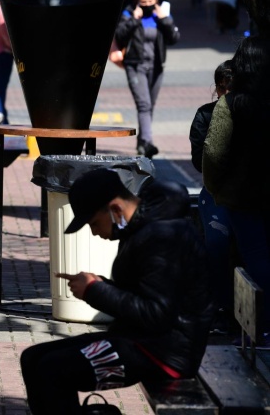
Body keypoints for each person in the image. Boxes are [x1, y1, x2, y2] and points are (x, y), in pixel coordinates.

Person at [20, 168, 213, 414]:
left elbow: (156, 314)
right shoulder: (142, 226)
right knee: (33, 359)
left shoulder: (163, 237)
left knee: (52, 371)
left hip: (163, 353)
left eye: (94, 223)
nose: (94, 232)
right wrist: (101, 285)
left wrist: (94, 290)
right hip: (141, 339)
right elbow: (143, 296)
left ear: (115, 210)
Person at [203, 37, 270, 345]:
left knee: (255, 256)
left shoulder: (229, 104)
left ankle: (262, 328)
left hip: (242, 197)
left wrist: (217, 190)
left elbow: (213, 154)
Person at [189, 60, 234, 331]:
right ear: (217, 88)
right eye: (224, 88)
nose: (228, 94)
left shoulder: (251, 110)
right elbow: (200, 160)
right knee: (217, 246)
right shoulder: (206, 115)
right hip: (217, 192)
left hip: (245, 193)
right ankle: (220, 306)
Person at [114, 0, 180, 158]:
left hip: (157, 67)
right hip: (135, 65)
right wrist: (135, 19)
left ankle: (142, 143)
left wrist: (165, 19)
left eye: (151, 1)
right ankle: (148, 143)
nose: (148, 5)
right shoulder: (129, 14)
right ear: (137, 2)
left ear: (156, 1)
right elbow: (119, 36)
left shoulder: (160, 16)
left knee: (149, 106)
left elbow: (174, 38)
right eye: (144, 2)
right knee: (144, 105)